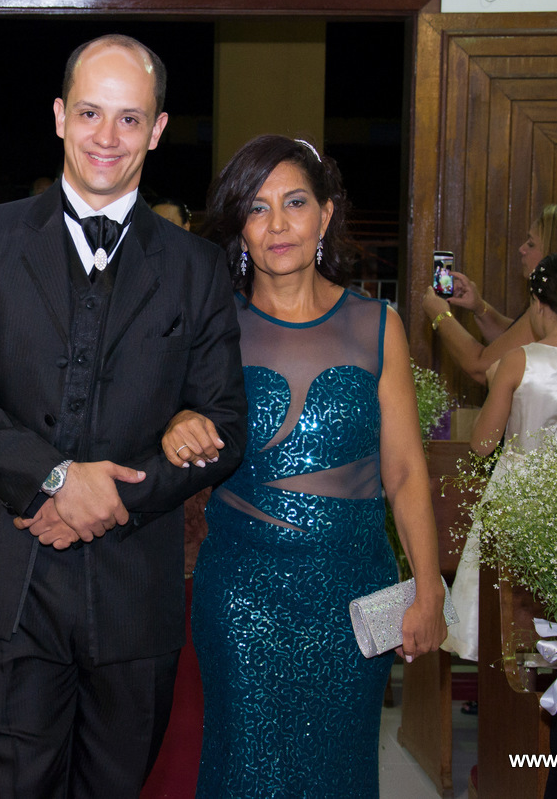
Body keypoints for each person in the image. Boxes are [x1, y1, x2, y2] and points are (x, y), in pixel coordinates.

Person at [0, 34, 247, 798]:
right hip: (9, 579)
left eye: (130, 118)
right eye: (92, 112)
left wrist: (116, 497)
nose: (108, 135)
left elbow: (225, 422)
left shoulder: (197, 267)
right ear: (61, 116)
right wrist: (58, 478)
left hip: (134, 589)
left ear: (157, 130)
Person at [163, 135, 445, 797]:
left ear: (325, 214)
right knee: (246, 769)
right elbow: (170, 425)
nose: (278, 224)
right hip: (241, 594)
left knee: (340, 770)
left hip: (353, 593)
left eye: (294, 202)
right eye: (257, 208)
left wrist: (429, 589)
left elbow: (405, 472)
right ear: (239, 229)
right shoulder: (212, 328)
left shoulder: (378, 325)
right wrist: (176, 427)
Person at [446, 251, 557, 664]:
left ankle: (503, 682)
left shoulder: (519, 360)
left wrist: (496, 387)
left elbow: (482, 444)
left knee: (503, 608)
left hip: (517, 496)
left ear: (539, 304)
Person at [422, 204, 557, 384]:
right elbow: (513, 342)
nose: (522, 249)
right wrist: (480, 308)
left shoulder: (551, 311)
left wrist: (440, 316)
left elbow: (482, 368)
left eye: (531, 244)